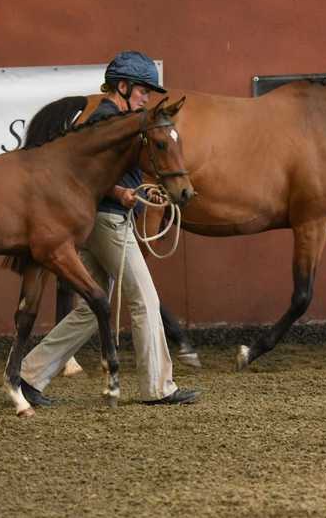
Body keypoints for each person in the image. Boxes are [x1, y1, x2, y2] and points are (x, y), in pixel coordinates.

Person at [20, 51, 200, 405]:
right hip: (107, 220)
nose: (146, 98)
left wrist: (140, 189)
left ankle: (29, 374)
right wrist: (120, 193)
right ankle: (158, 388)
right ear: (123, 87)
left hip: (102, 218)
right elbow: (86, 174)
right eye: (142, 91)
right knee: (145, 300)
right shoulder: (106, 120)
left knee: (91, 309)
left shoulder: (120, 120)